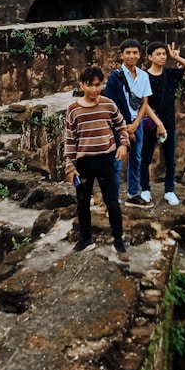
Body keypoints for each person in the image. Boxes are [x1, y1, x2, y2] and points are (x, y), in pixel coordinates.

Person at [63, 65, 130, 260]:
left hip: (106, 160)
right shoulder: (73, 110)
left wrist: (123, 145)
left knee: (112, 201)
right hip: (84, 162)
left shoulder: (108, 105)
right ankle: (85, 239)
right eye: (90, 85)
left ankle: (118, 240)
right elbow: (70, 140)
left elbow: (121, 126)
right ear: (82, 85)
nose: (94, 89)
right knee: (82, 202)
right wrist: (69, 165)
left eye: (98, 85)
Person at [105, 38, 165, 206]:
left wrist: (136, 124)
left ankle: (133, 194)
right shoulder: (115, 77)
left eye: (134, 52)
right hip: (119, 125)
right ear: (122, 55)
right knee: (116, 161)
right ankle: (114, 198)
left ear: (139, 55)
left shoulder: (144, 76)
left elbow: (144, 102)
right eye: (128, 52)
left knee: (136, 159)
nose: (131, 56)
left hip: (135, 124)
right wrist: (124, 128)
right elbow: (111, 104)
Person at [140, 41, 185, 205]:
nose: (162, 57)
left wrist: (177, 58)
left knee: (170, 159)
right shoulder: (144, 76)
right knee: (145, 158)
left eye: (164, 54)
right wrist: (158, 123)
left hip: (169, 122)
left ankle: (169, 191)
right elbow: (143, 104)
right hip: (150, 122)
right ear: (150, 57)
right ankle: (145, 189)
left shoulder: (171, 73)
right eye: (158, 54)